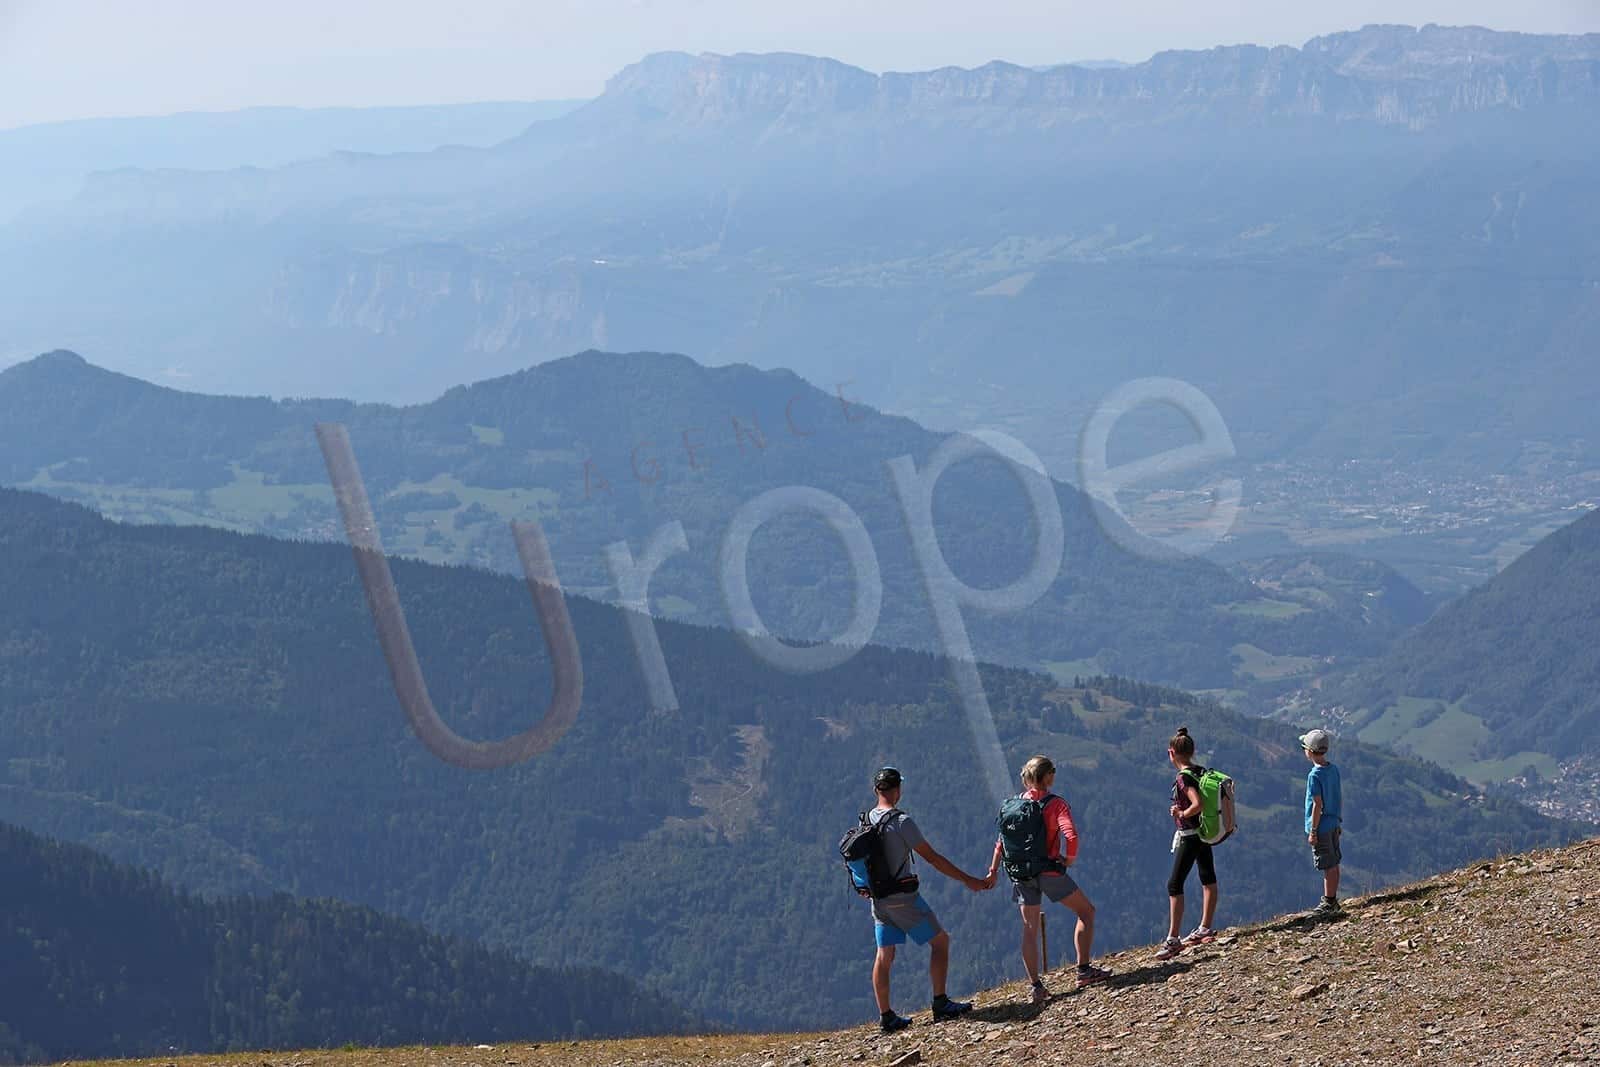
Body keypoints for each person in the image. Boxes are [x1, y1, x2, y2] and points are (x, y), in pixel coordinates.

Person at [860, 766, 987, 1033]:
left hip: (879, 900)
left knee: (885, 955)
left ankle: (887, 1017)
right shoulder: (902, 822)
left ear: (876, 791)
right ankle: (941, 1003)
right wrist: (968, 879)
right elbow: (933, 858)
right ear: (897, 791)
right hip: (903, 899)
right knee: (940, 941)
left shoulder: (867, 819)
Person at [983, 755, 1112, 1003]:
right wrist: (1069, 860)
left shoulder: (1013, 805)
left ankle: (1035, 987)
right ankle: (1084, 970)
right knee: (1086, 912)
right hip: (1049, 871)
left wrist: (993, 870)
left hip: (1020, 874)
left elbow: (1001, 842)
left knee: (1029, 929)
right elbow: (1071, 835)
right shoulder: (1056, 804)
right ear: (1048, 777)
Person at [1154, 726, 1219, 960]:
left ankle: (1173, 939)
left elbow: (1197, 803)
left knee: (1174, 884)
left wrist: (1181, 813)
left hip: (1190, 835)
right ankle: (1205, 927)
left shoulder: (1183, 777)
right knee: (1208, 877)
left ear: (1171, 753)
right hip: (1204, 832)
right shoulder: (1200, 771)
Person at [1300, 728, 1343, 914]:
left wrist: (1313, 831)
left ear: (1309, 751)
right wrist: (1339, 821)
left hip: (1322, 827)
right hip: (1333, 823)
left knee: (1327, 865)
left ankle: (1329, 902)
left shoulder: (1314, 776)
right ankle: (1332, 899)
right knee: (1334, 863)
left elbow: (1318, 804)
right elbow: (1338, 797)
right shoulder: (1333, 769)